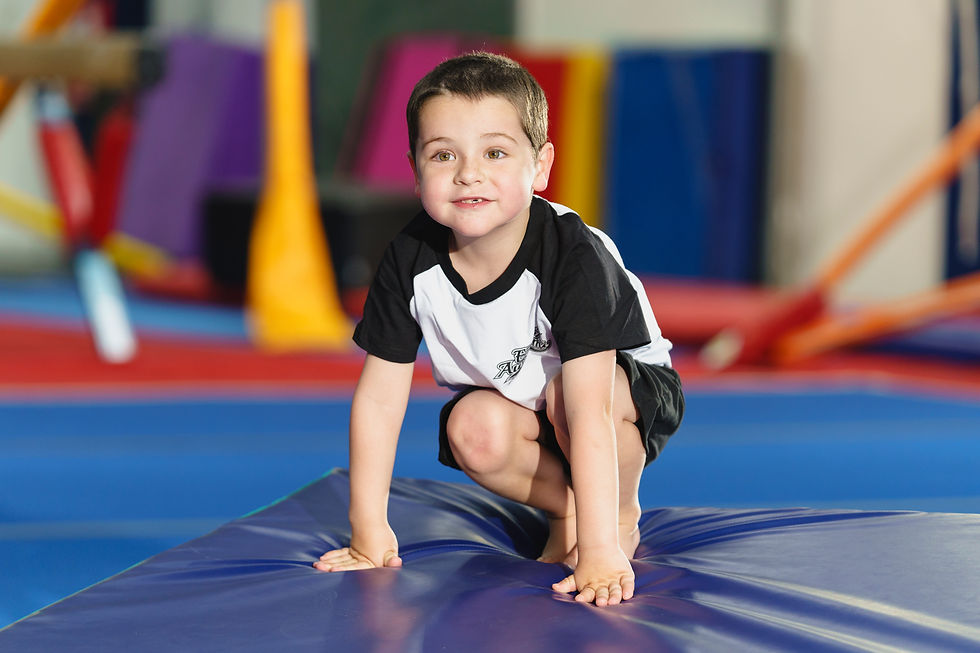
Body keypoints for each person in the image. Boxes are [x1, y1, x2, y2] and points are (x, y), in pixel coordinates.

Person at [314, 51, 684, 607]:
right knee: (471, 429)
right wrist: (368, 529)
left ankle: (614, 510)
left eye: (494, 152)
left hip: (624, 396)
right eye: (443, 155)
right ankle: (567, 508)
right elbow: (379, 400)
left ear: (540, 167)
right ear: (415, 170)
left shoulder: (571, 255)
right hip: (519, 402)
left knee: (567, 394)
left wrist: (603, 548)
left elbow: (589, 411)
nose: (469, 173)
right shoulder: (409, 259)